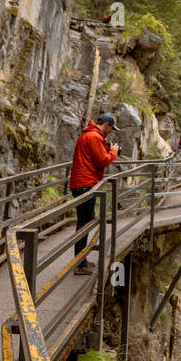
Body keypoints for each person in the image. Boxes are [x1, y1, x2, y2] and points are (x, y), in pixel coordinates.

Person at [69, 112, 119, 274]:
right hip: (85, 183)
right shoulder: (95, 137)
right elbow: (103, 160)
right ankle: (80, 264)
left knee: (85, 221)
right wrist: (113, 152)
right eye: (111, 129)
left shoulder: (86, 135)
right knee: (84, 224)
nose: (110, 132)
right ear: (107, 125)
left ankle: (81, 260)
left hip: (79, 182)